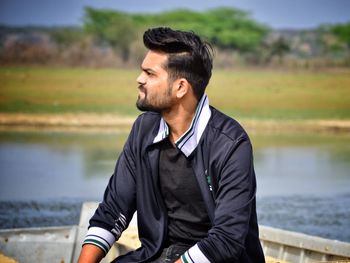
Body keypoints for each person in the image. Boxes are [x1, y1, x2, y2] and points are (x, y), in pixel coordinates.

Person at [78, 27, 265, 263]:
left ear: (180, 88)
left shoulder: (231, 144)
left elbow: (226, 239)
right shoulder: (143, 130)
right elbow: (113, 211)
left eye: (150, 73)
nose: (140, 79)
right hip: (155, 255)